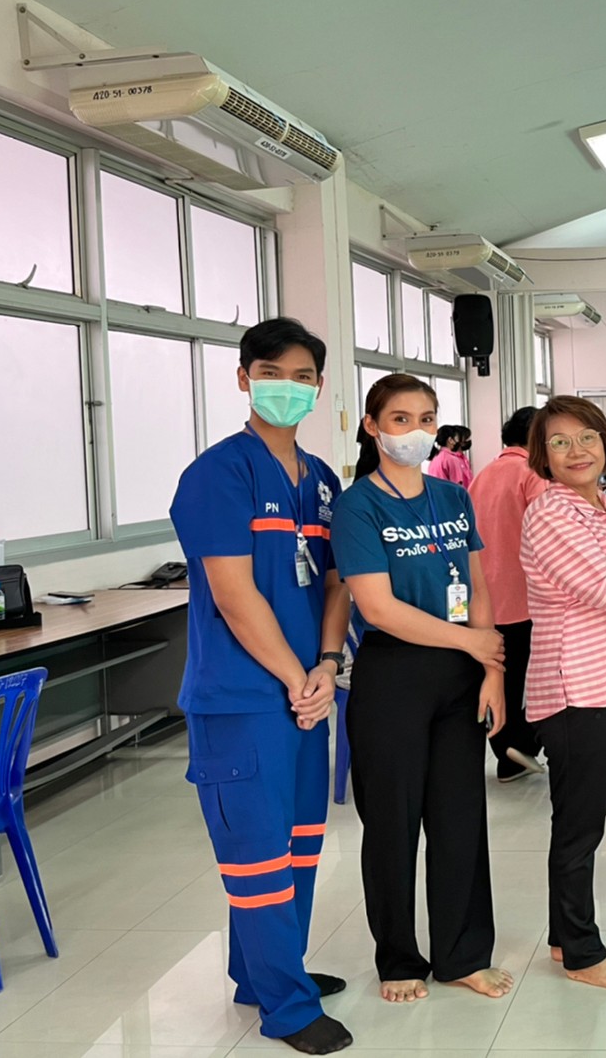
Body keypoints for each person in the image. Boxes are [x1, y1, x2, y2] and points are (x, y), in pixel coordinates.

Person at [168, 318, 352, 1055]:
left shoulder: (323, 482)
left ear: (319, 387)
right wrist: (297, 676)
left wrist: (327, 665)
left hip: (308, 691)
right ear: (244, 379)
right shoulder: (218, 474)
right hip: (243, 700)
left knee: (299, 843)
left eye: (303, 376)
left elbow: (337, 582)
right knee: (257, 854)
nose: (288, 387)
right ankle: (286, 1006)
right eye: (272, 373)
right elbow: (235, 593)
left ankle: (265, 971)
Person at [331, 374, 511, 1006]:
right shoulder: (358, 506)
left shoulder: (452, 497)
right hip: (395, 674)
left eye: (427, 418)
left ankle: (463, 954)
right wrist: (472, 644)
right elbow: (377, 607)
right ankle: (398, 958)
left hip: (462, 674)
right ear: (373, 427)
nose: (416, 431)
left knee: (460, 818)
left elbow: (478, 584)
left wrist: (492, 670)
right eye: (401, 419)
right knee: (393, 823)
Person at [521, 395, 606, 990]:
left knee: (586, 819)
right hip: (578, 689)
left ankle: (563, 937)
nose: (576, 451)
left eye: (586, 437)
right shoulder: (551, 513)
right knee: (579, 826)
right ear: (543, 455)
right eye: (559, 442)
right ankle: (581, 951)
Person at [468, 407, 547, 783]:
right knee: (530, 679)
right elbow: (549, 537)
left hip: (482, 597)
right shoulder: (533, 475)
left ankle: (505, 750)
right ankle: (519, 748)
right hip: (523, 596)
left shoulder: (482, 475)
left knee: (500, 675)